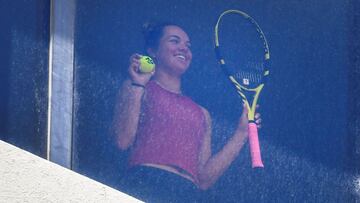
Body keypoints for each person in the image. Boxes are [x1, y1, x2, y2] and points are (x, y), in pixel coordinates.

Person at [111, 22, 261, 202]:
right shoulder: (138, 87)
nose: (184, 48)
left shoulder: (202, 113)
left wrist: (242, 132)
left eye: (188, 46)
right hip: (145, 181)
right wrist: (138, 84)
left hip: (187, 193)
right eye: (175, 41)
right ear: (153, 51)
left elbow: (204, 179)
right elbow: (122, 140)